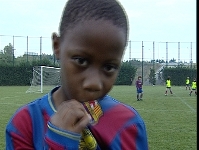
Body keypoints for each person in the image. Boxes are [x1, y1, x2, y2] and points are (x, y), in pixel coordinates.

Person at [5, 0, 148, 149]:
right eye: (81, 60)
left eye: (109, 67)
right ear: (57, 46)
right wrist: (60, 141)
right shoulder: (25, 124)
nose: (94, 83)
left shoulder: (128, 123)